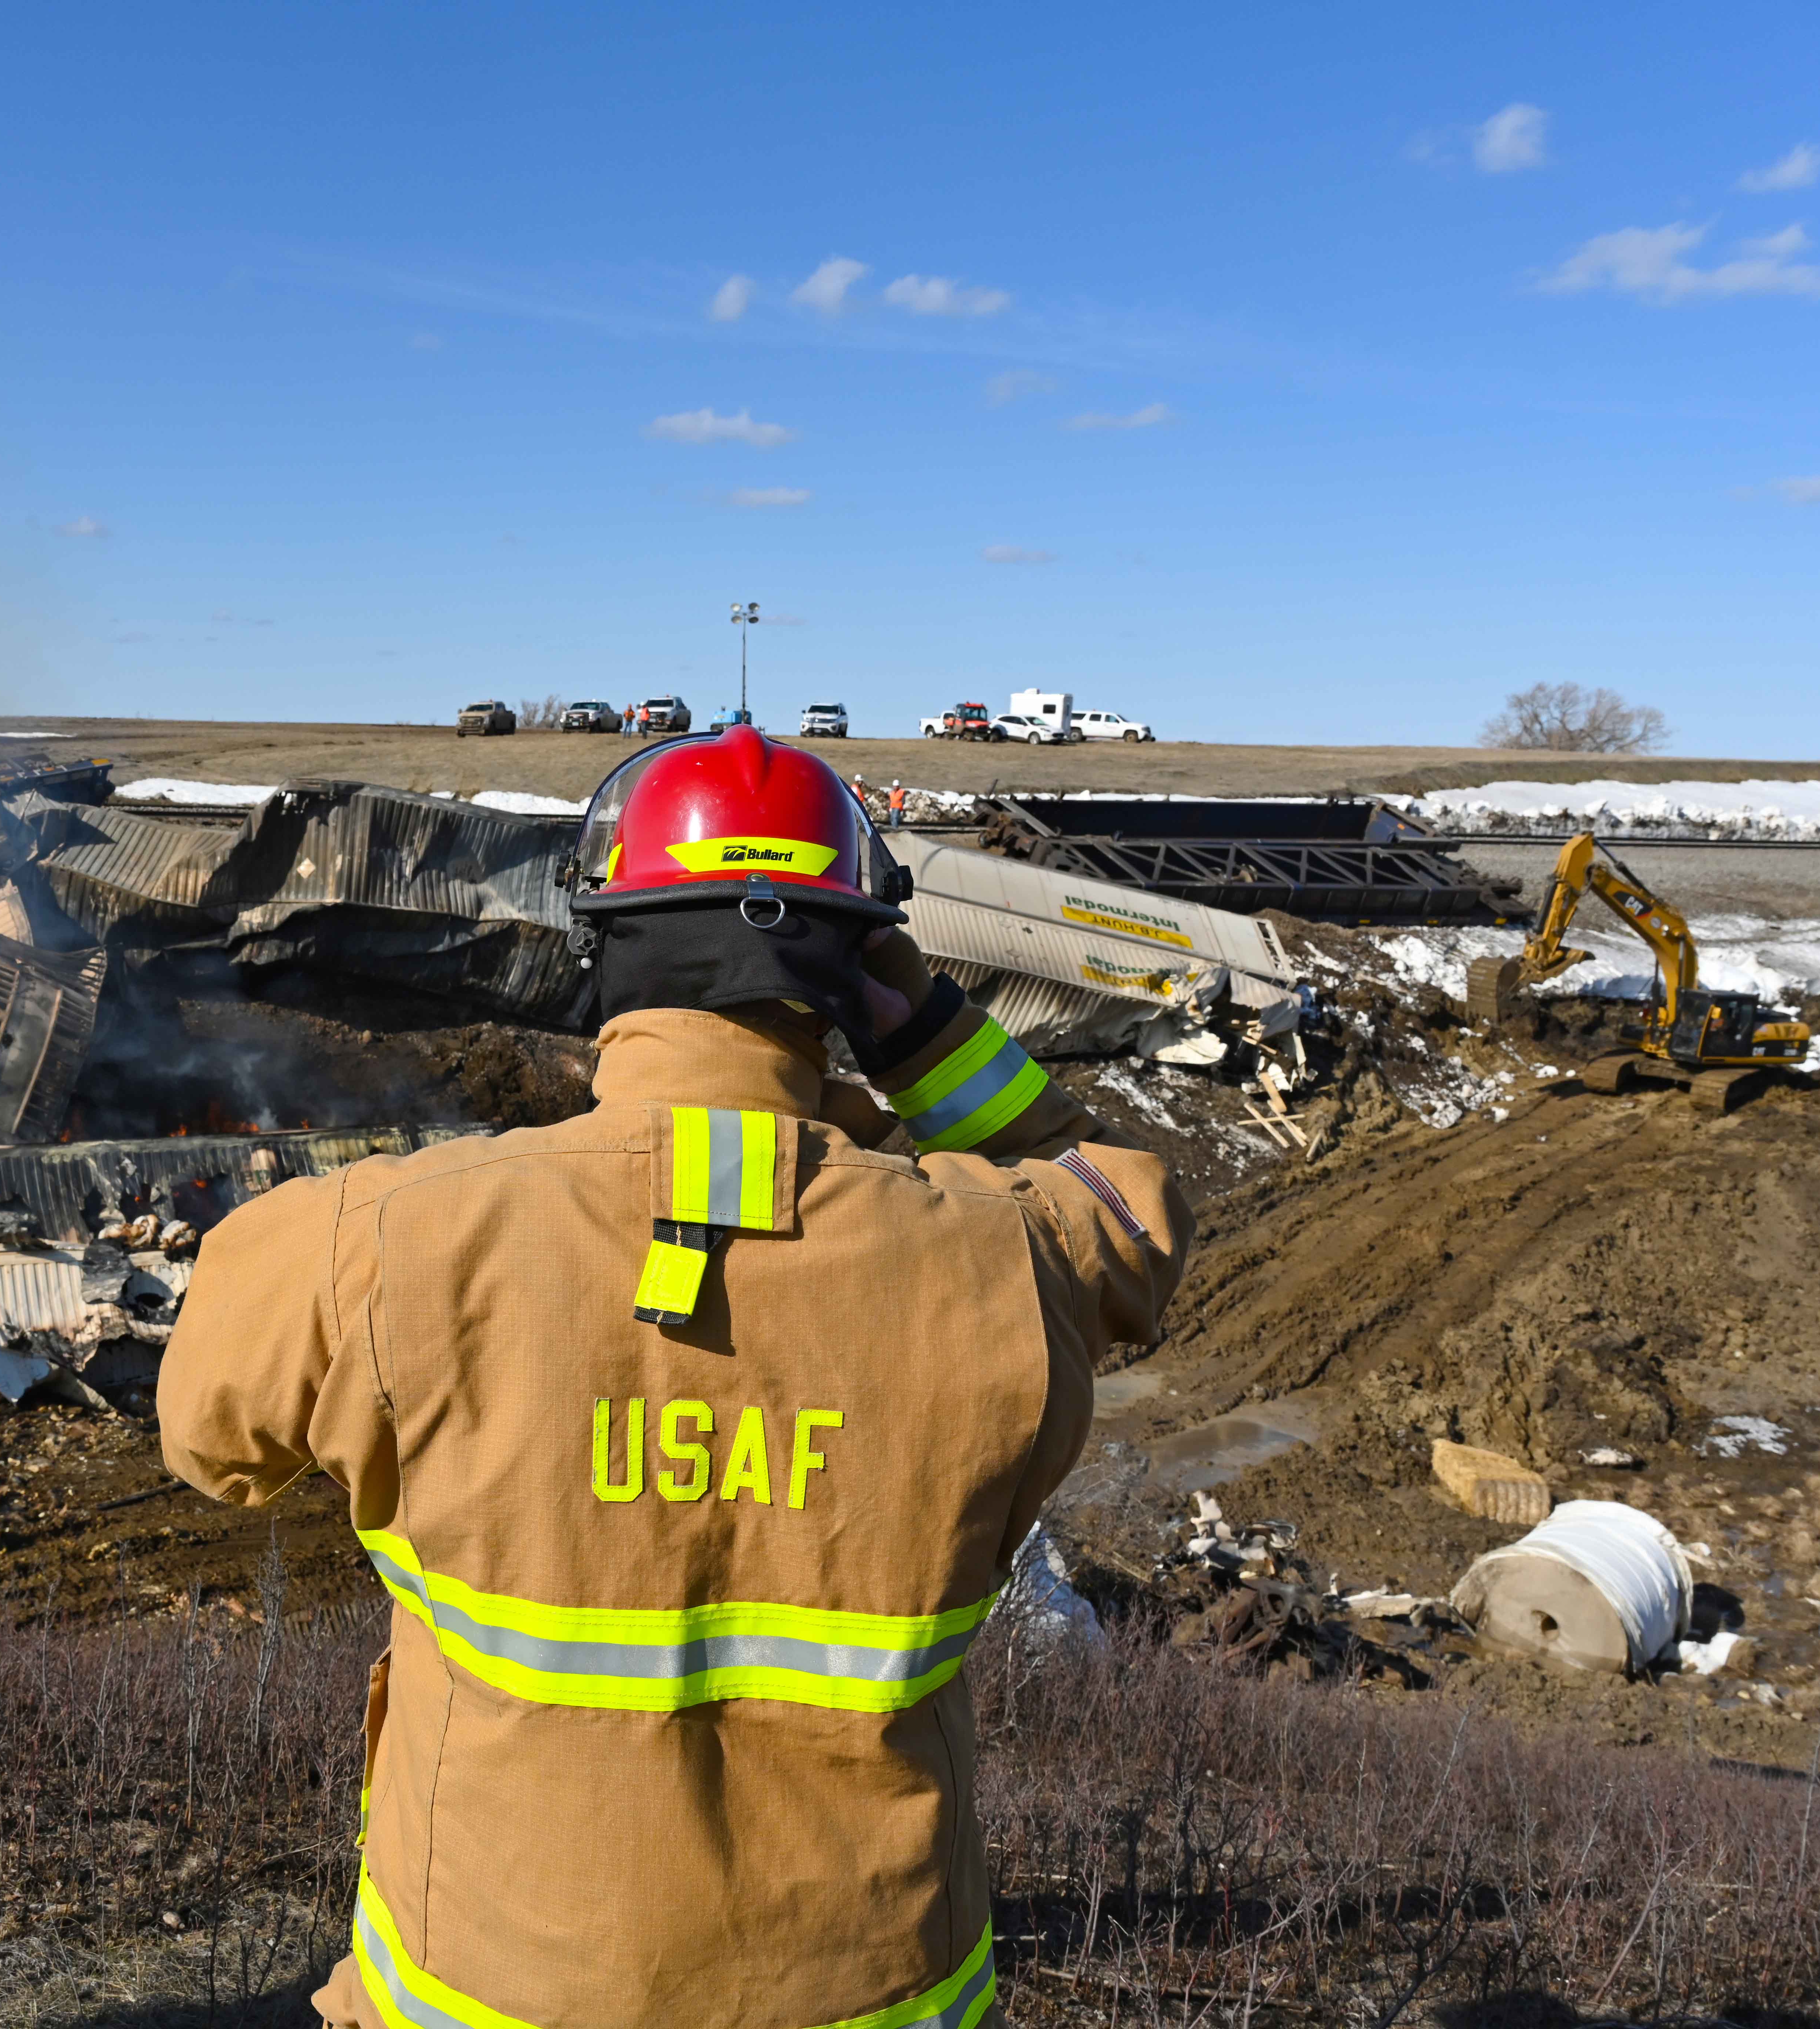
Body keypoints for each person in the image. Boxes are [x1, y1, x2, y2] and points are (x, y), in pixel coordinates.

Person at [160, 724, 1186, 2029]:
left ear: (608, 945)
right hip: (874, 1988)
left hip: (491, 1983)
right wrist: (917, 1035)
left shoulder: (373, 1238)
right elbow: (1129, 1206)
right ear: (856, 965)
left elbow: (212, 1452)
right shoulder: (1011, 1250)